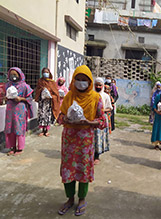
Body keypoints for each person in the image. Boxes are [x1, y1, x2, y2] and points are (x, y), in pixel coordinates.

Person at [58, 65, 107, 216]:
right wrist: (65, 118)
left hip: (85, 141)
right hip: (69, 140)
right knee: (68, 170)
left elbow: (102, 121)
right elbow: (60, 117)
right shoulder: (69, 96)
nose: (80, 82)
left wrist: (87, 122)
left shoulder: (95, 98)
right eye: (77, 79)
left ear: (89, 81)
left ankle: (82, 199)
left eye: (84, 80)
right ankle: (70, 199)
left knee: (83, 170)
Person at [5, 67, 33, 156]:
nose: (13, 76)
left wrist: (21, 98)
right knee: (10, 127)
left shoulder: (25, 86)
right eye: (11, 74)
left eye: (15, 74)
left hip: (20, 109)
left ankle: (20, 148)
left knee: (19, 128)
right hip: (10, 109)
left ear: (20, 75)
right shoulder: (8, 85)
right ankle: (12, 147)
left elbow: (30, 98)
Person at [35, 68, 60, 137]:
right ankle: (42, 131)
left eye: (47, 72)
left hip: (49, 102)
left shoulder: (52, 82)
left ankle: (46, 130)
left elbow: (56, 93)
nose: (45, 73)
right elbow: (37, 90)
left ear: (49, 73)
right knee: (42, 116)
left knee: (47, 116)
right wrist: (42, 90)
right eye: (44, 72)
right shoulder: (40, 81)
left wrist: (50, 95)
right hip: (42, 102)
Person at [93, 77, 113, 165]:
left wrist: (102, 110)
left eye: (100, 85)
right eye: (96, 85)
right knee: (91, 137)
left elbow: (110, 108)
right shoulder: (91, 94)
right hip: (91, 118)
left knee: (99, 137)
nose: (98, 86)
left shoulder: (105, 96)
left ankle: (97, 156)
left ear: (102, 86)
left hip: (101, 118)